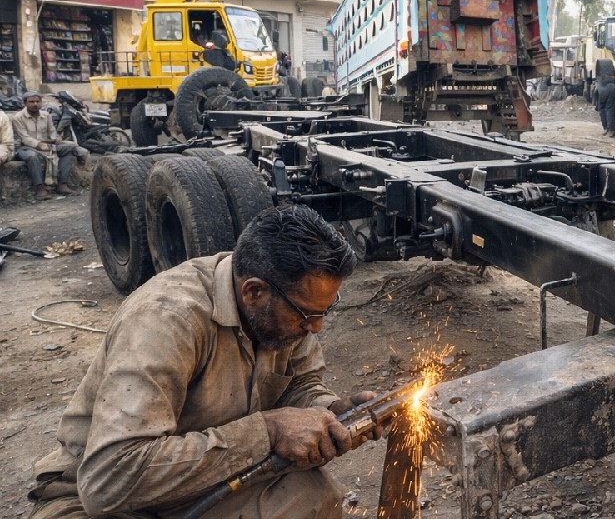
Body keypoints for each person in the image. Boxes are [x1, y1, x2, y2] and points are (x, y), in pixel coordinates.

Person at [27, 204, 376, 518]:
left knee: (315, 498)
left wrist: (328, 410)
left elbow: (297, 385)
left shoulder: (283, 316)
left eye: (325, 310)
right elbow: (108, 481)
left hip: (203, 478)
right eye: (306, 313)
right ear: (253, 292)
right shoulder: (166, 319)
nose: (316, 326)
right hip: (104, 501)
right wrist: (268, 431)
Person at [11, 91, 89, 200]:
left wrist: (55, 139)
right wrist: (39, 145)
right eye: (31, 101)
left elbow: (52, 132)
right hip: (25, 147)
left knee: (67, 148)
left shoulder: (46, 115)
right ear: (25, 103)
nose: (35, 104)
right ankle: (40, 188)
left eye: (38, 101)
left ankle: (62, 184)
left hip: (46, 145)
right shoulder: (18, 118)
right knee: (32, 156)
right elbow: (24, 138)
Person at [595, 59, 615, 137]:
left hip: (602, 90)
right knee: (610, 110)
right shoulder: (612, 78)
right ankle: (611, 130)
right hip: (611, 90)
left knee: (602, 109)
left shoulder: (600, 78)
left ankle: (606, 128)